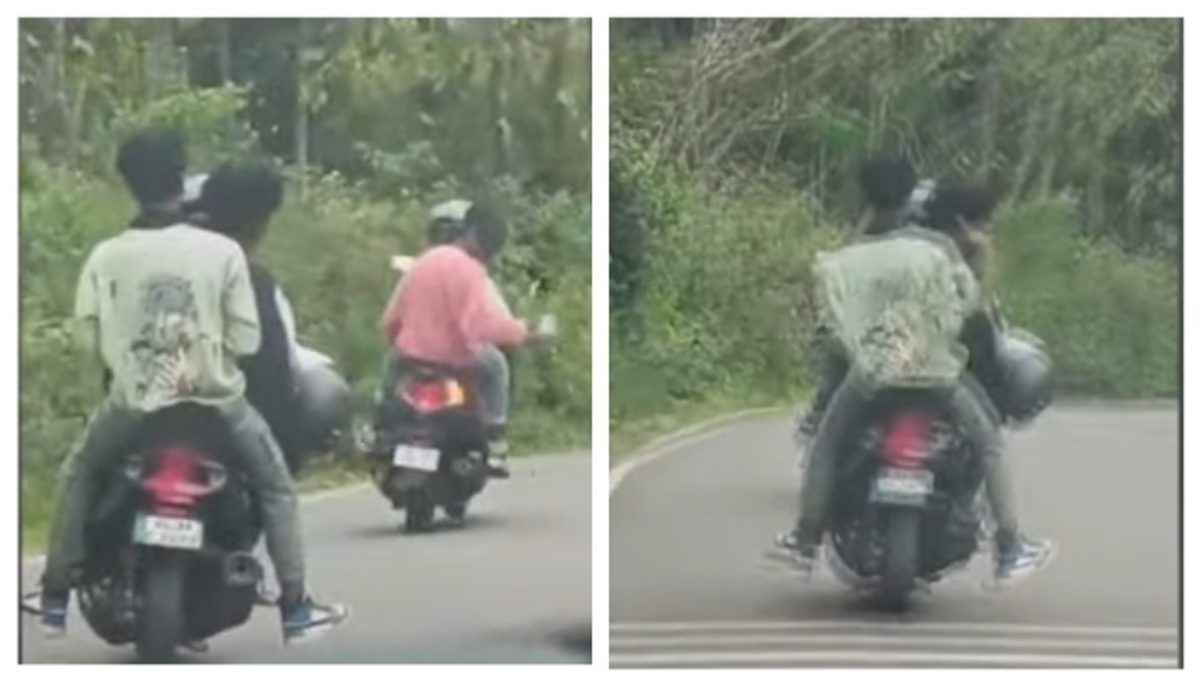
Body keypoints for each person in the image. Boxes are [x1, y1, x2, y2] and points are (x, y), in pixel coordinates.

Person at [31, 133, 347, 644]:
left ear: (128, 184)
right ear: (182, 180)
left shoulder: (107, 255)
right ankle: (295, 608)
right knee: (275, 488)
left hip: (134, 403)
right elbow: (245, 337)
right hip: (217, 404)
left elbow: (89, 339)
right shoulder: (222, 252)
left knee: (80, 474)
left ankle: (53, 600)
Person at [773, 164, 1056, 585]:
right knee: (990, 444)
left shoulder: (862, 255)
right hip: (937, 378)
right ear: (961, 224)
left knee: (825, 443)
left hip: (871, 375)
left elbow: (833, 304)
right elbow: (972, 309)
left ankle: (804, 541)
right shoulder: (943, 256)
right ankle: (1010, 548)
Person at [184, 169, 354, 470]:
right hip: (237, 424)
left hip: (158, 416)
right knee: (277, 495)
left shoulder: (157, 272)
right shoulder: (256, 283)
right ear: (257, 227)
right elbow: (277, 371)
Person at [378, 203, 548, 479]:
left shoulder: (419, 265)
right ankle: (495, 444)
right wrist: (524, 333)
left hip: (411, 358)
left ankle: (381, 429)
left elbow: (390, 322)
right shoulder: (471, 272)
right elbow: (483, 326)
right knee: (496, 367)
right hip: (454, 360)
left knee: (390, 379)